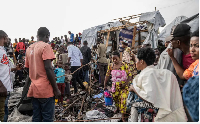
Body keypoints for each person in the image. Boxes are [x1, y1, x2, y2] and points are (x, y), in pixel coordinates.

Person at [129, 47, 187, 122]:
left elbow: (148, 97)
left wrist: (134, 89)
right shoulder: (158, 72)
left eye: (136, 60)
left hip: (152, 109)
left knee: (133, 105)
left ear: (142, 61)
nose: (135, 63)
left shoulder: (148, 74)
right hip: (160, 108)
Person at [25, 27, 61, 122]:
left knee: (36, 117)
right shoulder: (46, 46)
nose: (48, 40)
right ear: (46, 36)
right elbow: (48, 68)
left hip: (33, 89)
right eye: (48, 38)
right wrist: (56, 89)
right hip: (45, 90)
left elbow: (27, 68)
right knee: (47, 119)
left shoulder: (29, 49)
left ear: (37, 36)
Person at [104, 50, 132, 122]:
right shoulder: (111, 66)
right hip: (115, 87)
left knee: (123, 100)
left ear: (119, 58)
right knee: (115, 99)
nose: (114, 60)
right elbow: (107, 75)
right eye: (113, 59)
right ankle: (118, 108)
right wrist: (105, 85)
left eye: (116, 59)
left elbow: (129, 76)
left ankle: (123, 116)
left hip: (124, 87)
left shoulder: (124, 65)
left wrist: (125, 84)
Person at [0, 30, 19, 122]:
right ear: (3, 38)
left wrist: (15, 69)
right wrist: (1, 86)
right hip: (1, 88)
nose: (8, 40)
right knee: (1, 114)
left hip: (5, 88)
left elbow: (3, 69)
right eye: (7, 38)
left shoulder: (3, 50)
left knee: (4, 111)